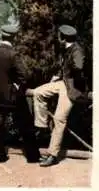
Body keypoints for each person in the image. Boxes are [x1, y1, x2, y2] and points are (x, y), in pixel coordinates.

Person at [0, 25, 41, 164]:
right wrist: (17, 87)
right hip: (13, 96)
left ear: (1, 35)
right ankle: (33, 157)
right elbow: (25, 75)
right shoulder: (13, 54)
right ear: (14, 37)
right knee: (26, 124)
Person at [33, 25, 85, 167]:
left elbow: (79, 67)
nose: (58, 37)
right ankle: (41, 125)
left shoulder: (77, 50)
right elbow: (64, 68)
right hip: (62, 83)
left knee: (59, 118)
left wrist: (73, 80)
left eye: (59, 36)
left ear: (63, 38)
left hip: (72, 88)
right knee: (38, 92)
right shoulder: (66, 49)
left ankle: (52, 155)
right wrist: (58, 77)